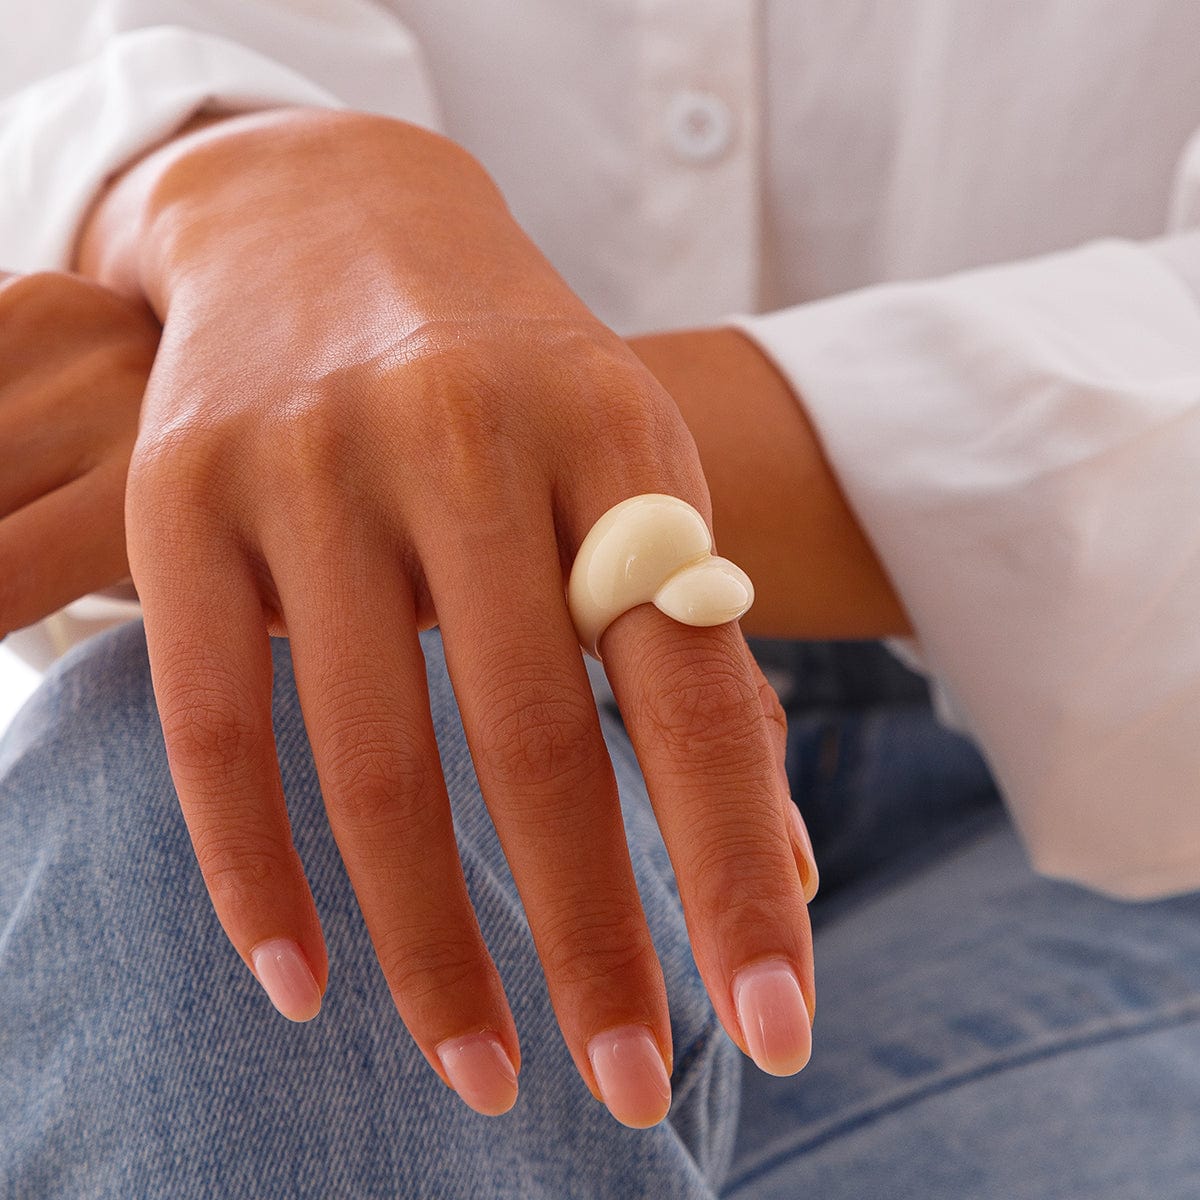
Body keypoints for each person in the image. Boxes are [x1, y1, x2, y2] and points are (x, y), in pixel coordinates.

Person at [2, 3, 1199, 1196]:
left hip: (1132, 805)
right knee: (223, 775)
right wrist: (262, 181)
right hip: (451, 680)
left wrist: (427, 427)